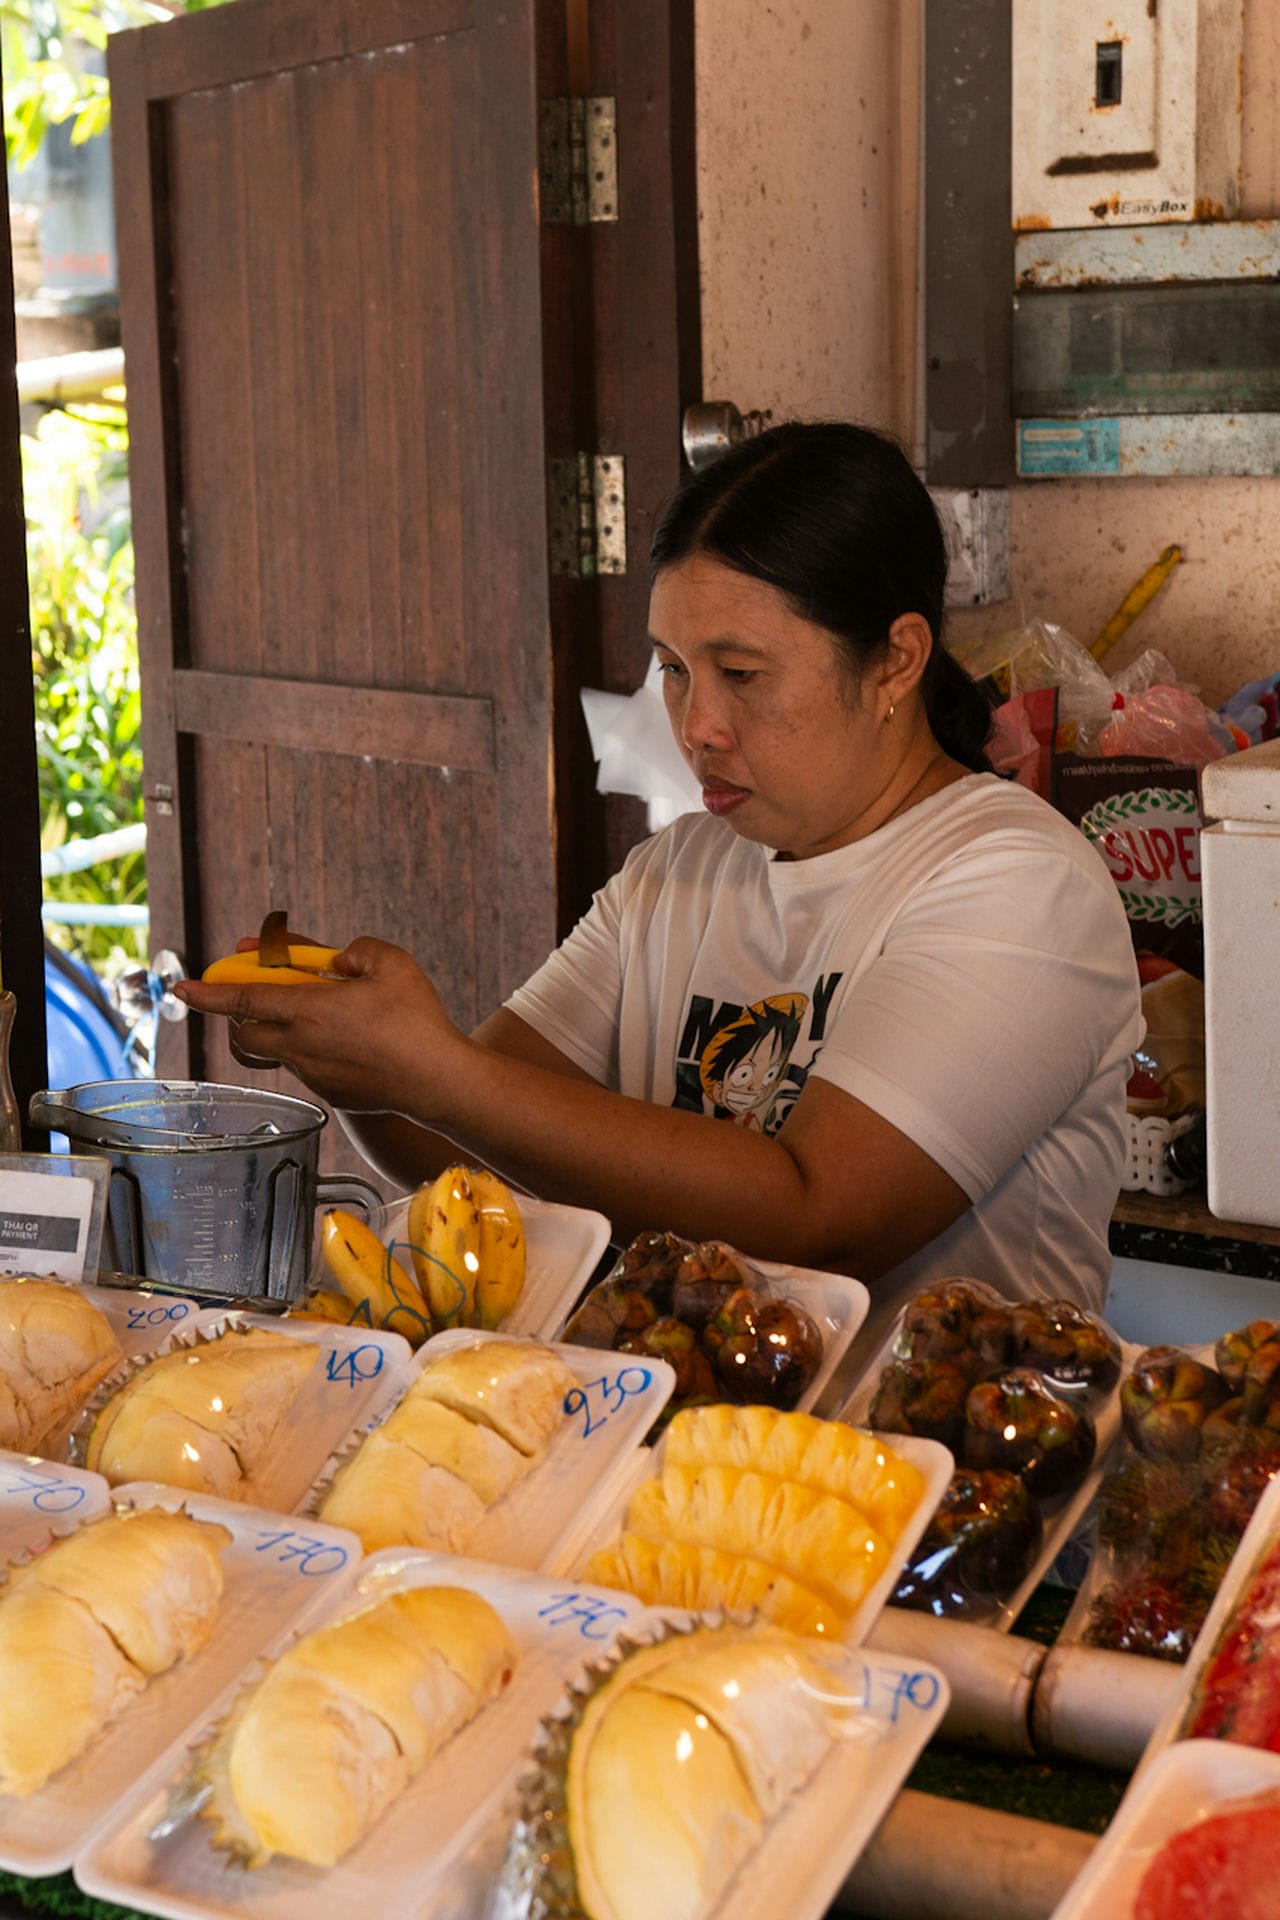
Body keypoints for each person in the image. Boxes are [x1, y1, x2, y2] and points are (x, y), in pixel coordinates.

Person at [177, 421, 1142, 1339]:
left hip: (953, 1478)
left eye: (743, 674)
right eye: (675, 669)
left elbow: (818, 1218)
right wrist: (362, 1063)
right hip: (682, 1449)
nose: (697, 726)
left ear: (896, 660)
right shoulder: (681, 869)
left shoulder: (1018, 879)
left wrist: (440, 1072)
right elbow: (471, 1146)